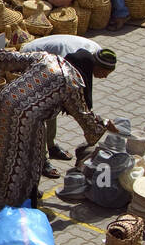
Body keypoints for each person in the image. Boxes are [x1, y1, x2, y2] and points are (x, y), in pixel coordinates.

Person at [0, 44, 112, 209]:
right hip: (28, 117)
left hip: (5, 102)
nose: (104, 77)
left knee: (3, 147)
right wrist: (103, 125)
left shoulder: (48, 58)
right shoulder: (72, 81)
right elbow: (83, 114)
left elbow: (14, 59)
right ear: (93, 66)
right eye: (105, 73)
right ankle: (24, 196)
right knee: (31, 157)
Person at [20, 35, 118, 174]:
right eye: (104, 73)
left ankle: (51, 146)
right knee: (42, 114)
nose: (105, 77)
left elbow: (81, 100)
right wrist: (101, 123)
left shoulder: (96, 56)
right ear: (97, 66)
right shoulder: (69, 65)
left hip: (53, 60)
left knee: (52, 110)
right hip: (33, 57)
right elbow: (77, 106)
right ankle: (42, 160)